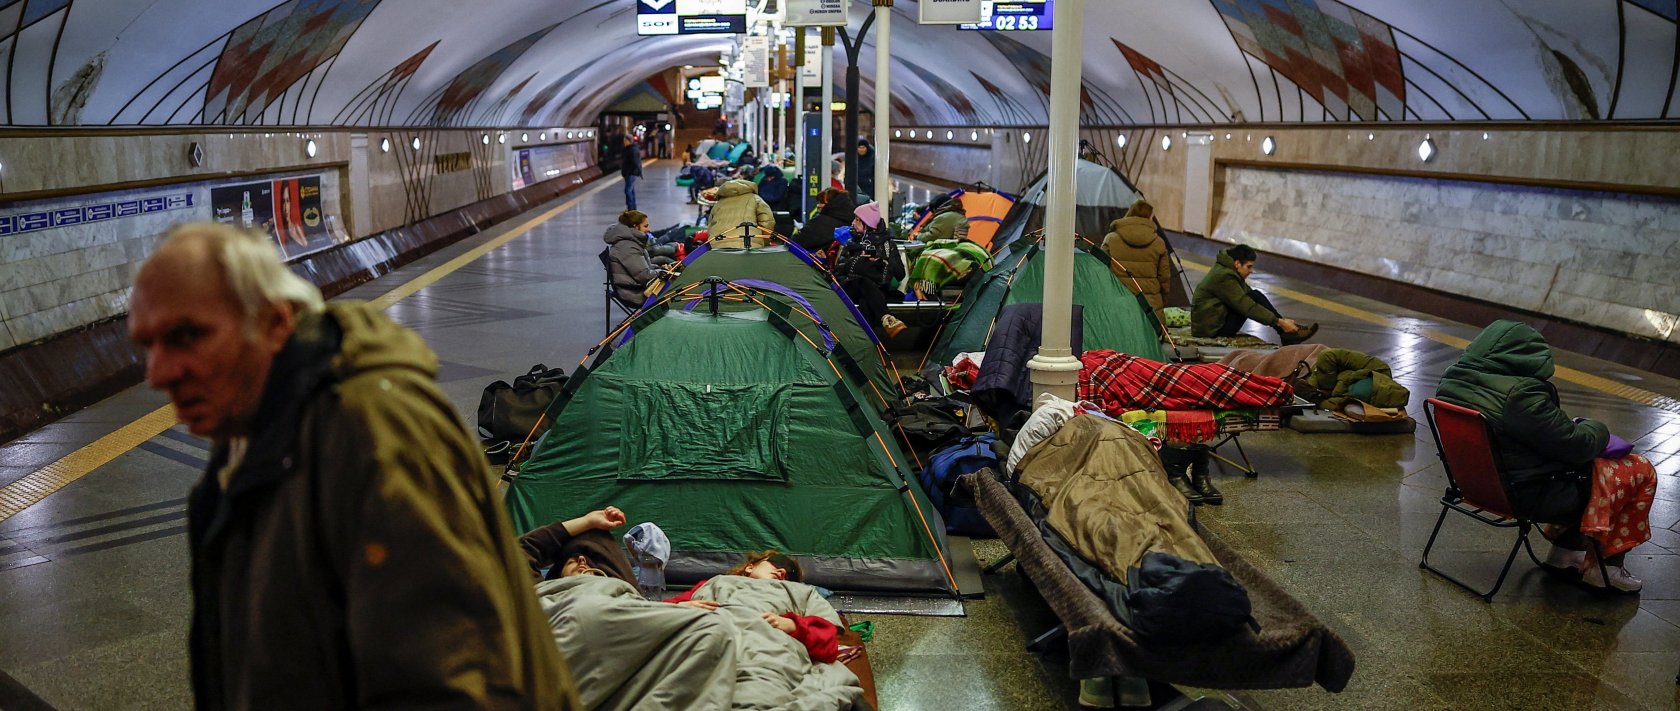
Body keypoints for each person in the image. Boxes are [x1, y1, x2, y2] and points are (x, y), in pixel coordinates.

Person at [126, 222, 577, 709]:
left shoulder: (375, 433)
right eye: (147, 345)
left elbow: (451, 682)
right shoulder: (245, 440)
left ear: (276, 323)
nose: (159, 373)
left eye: (188, 336)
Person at [1435, 320, 1655, 592]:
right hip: (1525, 495)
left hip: (1472, 485)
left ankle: (1565, 554)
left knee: (1589, 470)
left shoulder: (1451, 378)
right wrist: (1596, 426)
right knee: (1634, 470)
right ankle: (1605, 568)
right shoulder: (1521, 395)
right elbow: (1578, 446)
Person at [664, 550, 841, 664]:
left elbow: (828, 637)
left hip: (764, 649)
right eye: (777, 563)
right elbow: (654, 614)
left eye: (791, 575)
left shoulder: (803, 592)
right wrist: (681, 608)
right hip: (705, 638)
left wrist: (793, 626)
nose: (782, 571)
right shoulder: (715, 582)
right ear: (749, 567)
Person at [1190, 244, 1316, 343]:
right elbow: (1246, 306)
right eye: (1249, 267)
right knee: (1252, 298)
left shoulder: (1227, 270)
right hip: (1210, 331)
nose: (1251, 271)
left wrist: (1281, 320)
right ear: (1237, 263)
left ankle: (1286, 332)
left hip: (1213, 323)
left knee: (1255, 294)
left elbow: (1249, 294)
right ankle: (1285, 332)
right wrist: (1279, 322)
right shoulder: (1224, 276)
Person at [837, 201, 907, 338]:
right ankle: (886, 318)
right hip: (851, 287)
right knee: (863, 282)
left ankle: (866, 345)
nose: (852, 223)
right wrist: (859, 261)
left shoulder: (888, 244)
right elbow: (838, 271)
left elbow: (900, 274)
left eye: (857, 220)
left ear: (866, 223)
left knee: (866, 301)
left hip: (875, 290)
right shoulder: (851, 243)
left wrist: (882, 260)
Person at [1100, 200, 1173, 325]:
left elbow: (1100, 270)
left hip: (1117, 306)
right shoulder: (1158, 242)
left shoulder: (1111, 239)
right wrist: (1161, 300)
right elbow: (1164, 277)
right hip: (1150, 310)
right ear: (1149, 217)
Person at [604, 210, 662, 308]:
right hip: (635, 294)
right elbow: (645, 276)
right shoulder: (628, 247)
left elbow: (642, 269)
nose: (649, 229)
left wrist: (660, 268)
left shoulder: (630, 243)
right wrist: (663, 272)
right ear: (635, 226)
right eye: (646, 226)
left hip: (635, 289)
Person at [706, 178, 776, 246]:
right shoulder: (755, 199)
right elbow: (766, 222)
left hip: (718, 244)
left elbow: (710, 226)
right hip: (748, 243)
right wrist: (765, 241)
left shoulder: (718, 204)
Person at [792, 188, 854, 254]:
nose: (818, 205)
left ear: (829, 203)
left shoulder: (819, 223)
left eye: (820, 202)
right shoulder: (852, 219)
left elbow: (795, 243)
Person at [620, 134, 643, 211]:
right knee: (631, 190)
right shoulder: (628, 149)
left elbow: (636, 163)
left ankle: (631, 208)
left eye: (625, 141)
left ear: (629, 141)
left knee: (628, 190)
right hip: (628, 173)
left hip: (631, 173)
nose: (624, 142)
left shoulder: (633, 150)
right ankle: (632, 207)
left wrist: (638, 172)